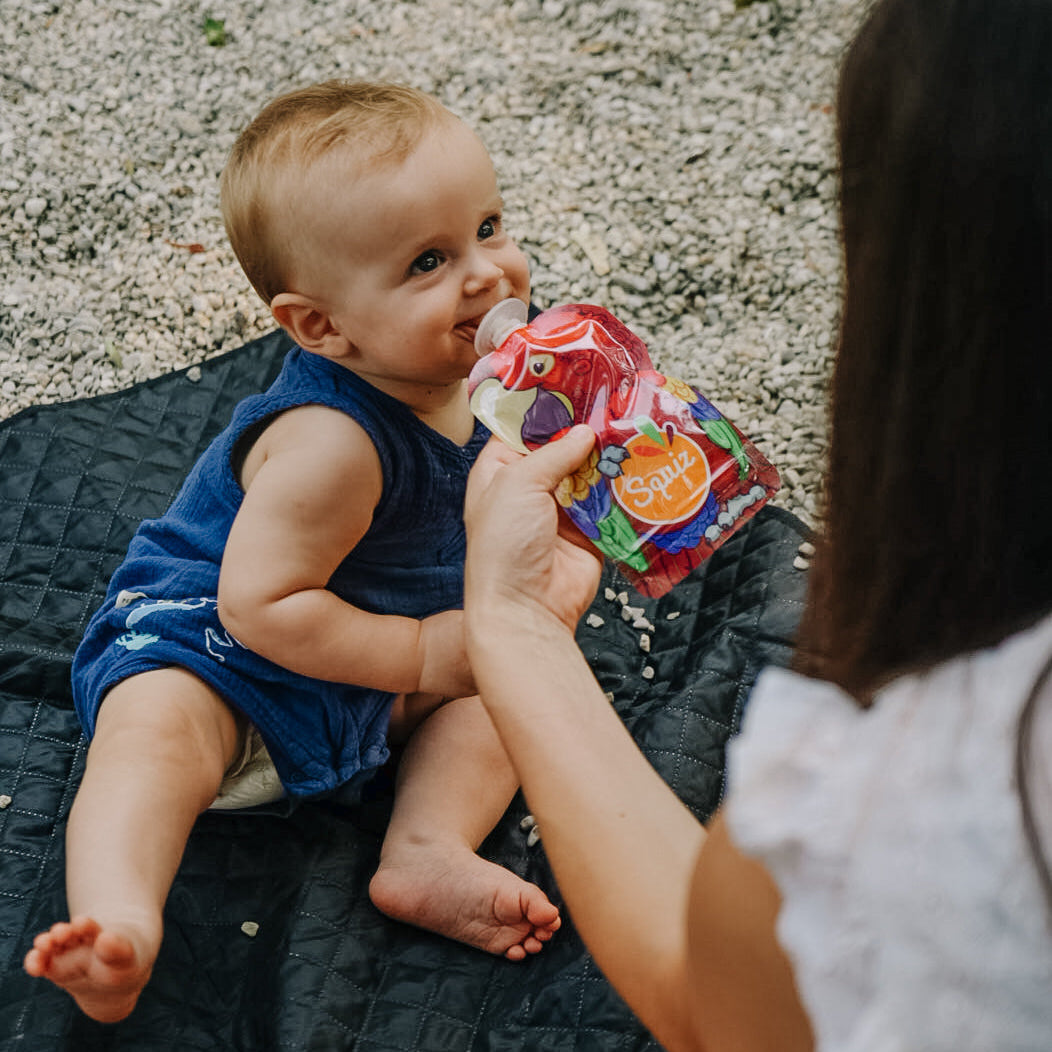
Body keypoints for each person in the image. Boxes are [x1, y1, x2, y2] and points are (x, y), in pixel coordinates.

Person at [461, 1, 1052, 1049]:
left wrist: (504, 619)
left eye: (487, 230)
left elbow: (714, 993)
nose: (480, 275)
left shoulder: (921, 787)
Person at [23, 80, 560, 1024]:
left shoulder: (491, 384)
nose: (489, 275)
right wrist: (428, 653)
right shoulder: (331, 444)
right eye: (429, 261)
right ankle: (116, 926)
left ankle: (427, 846)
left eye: (488, 226)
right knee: (150, 736)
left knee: (518, 667)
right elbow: (258, 608)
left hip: (366, 665)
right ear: (321, 327)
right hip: (220, 650)